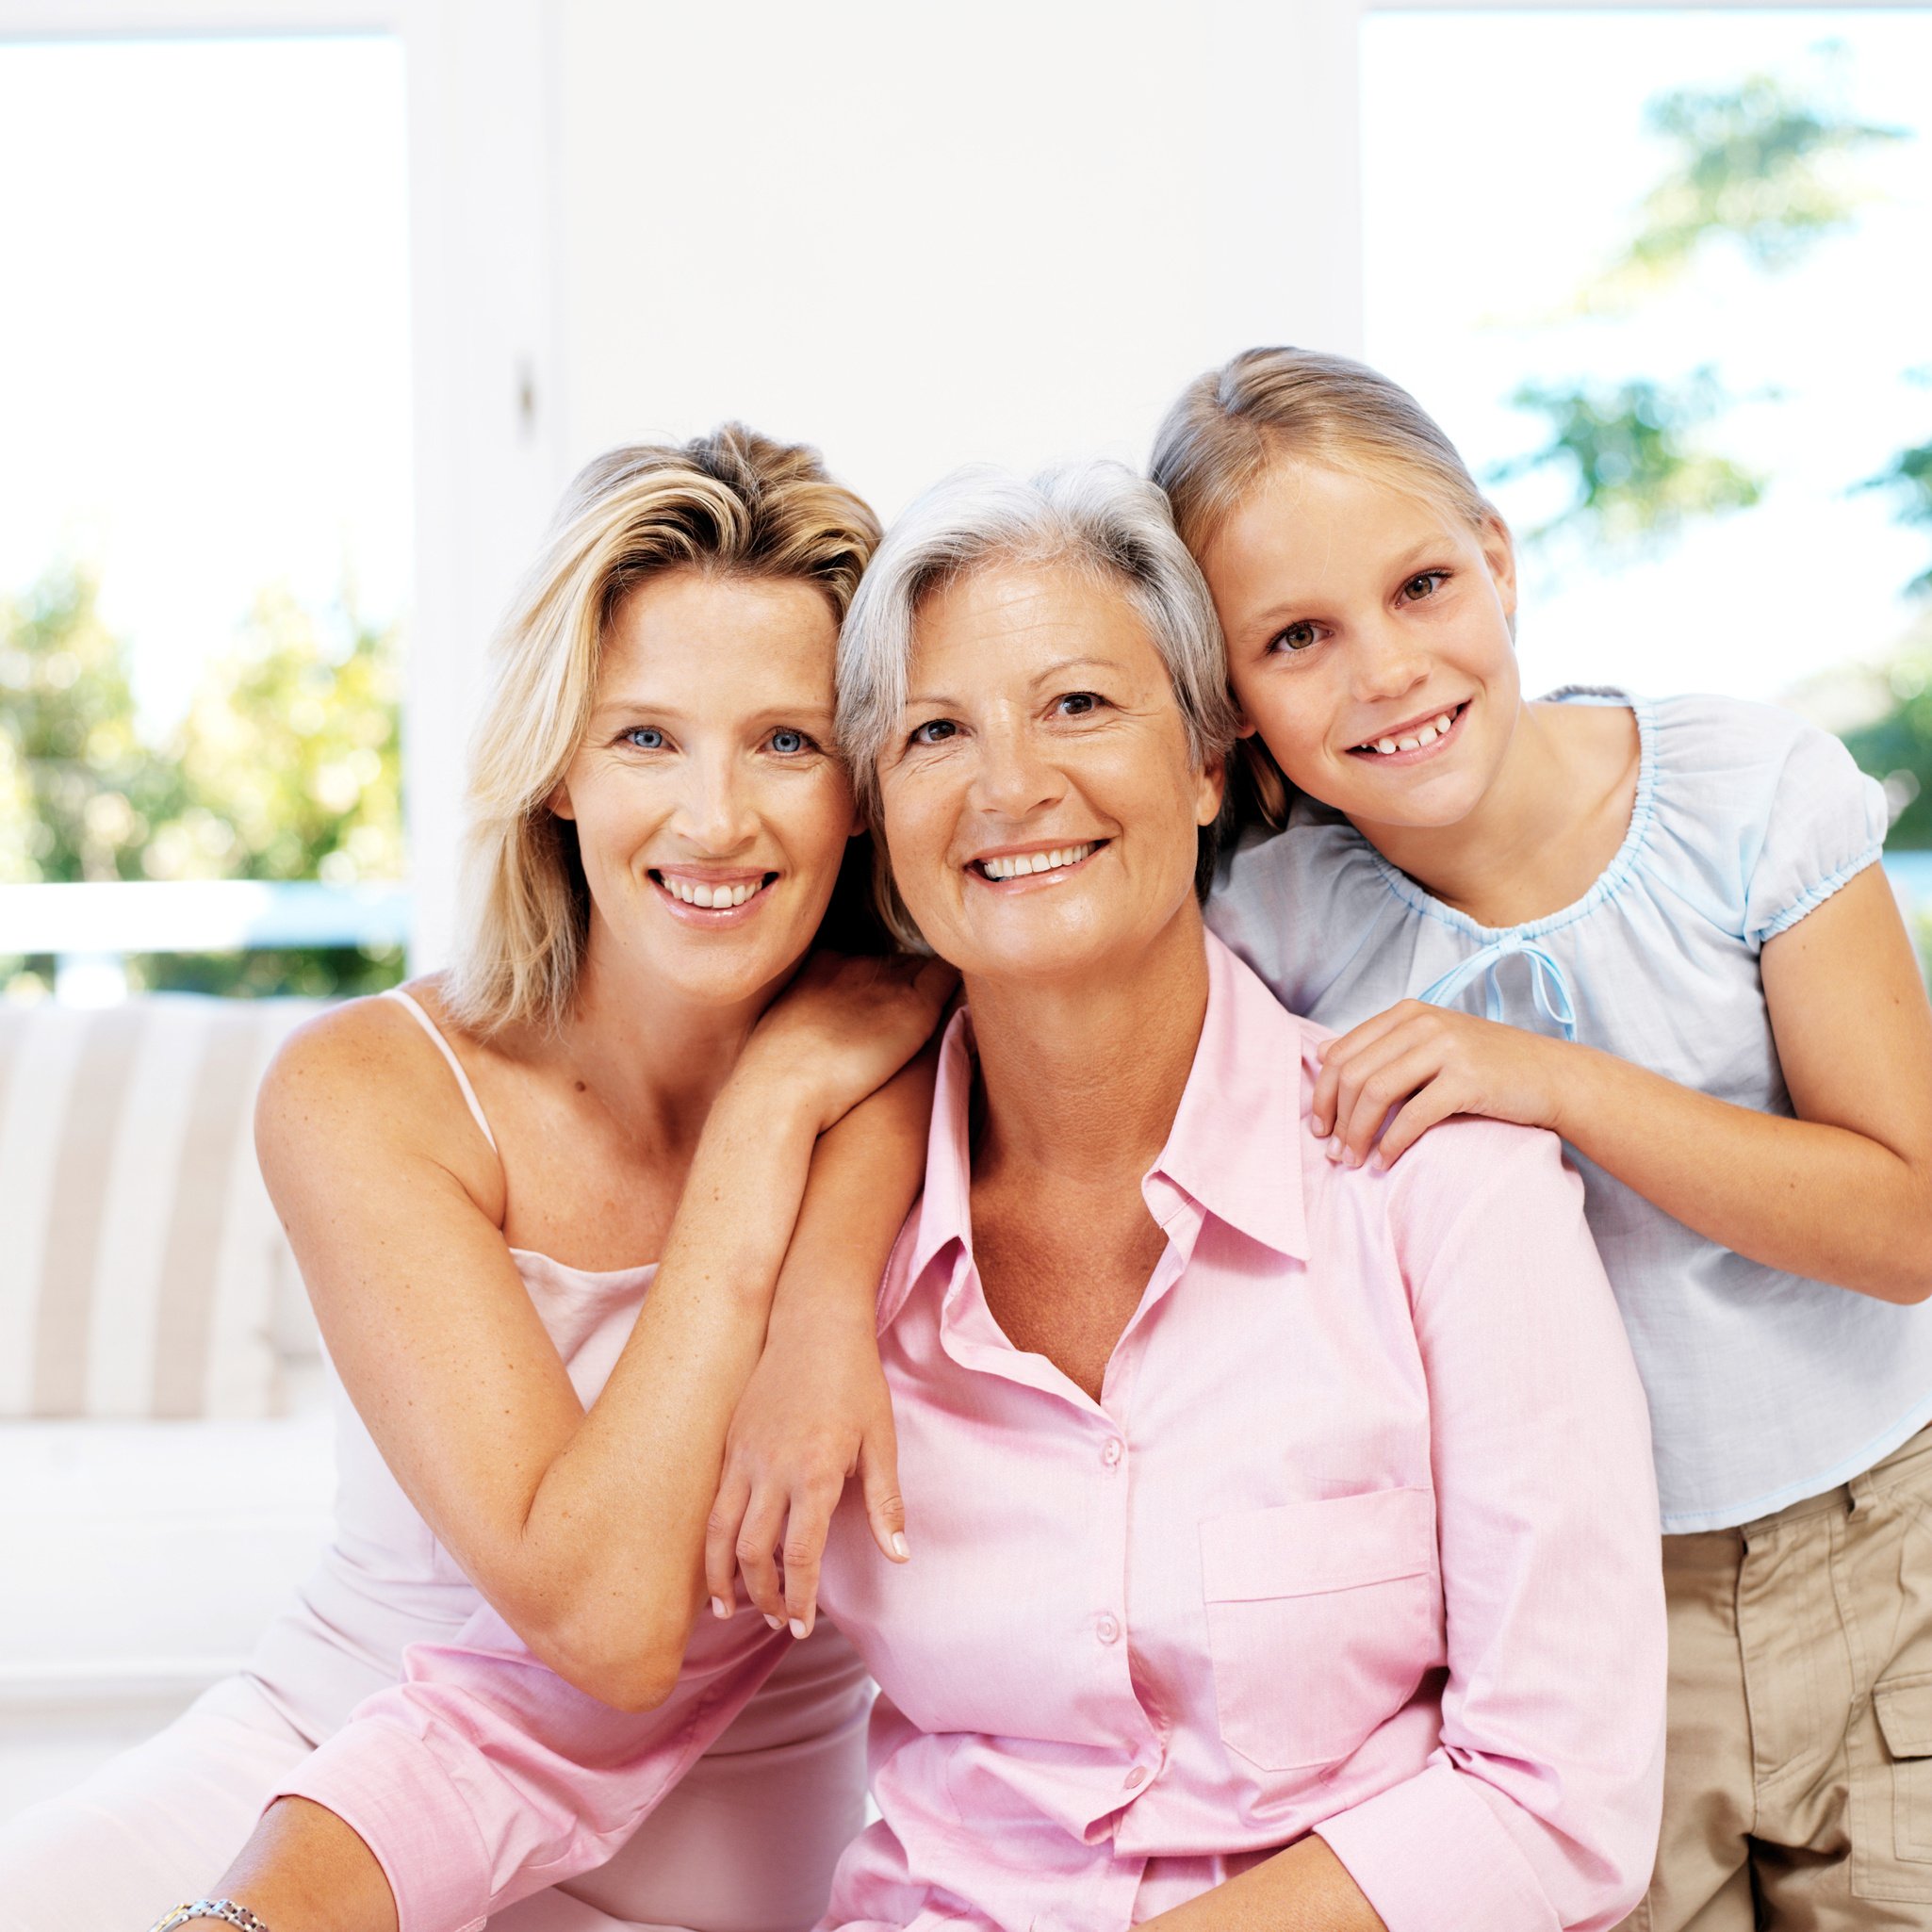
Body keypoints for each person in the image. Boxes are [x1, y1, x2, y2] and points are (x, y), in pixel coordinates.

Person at [181, 461, 1665, 1932]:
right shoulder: (848, 1253)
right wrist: (248, 1919)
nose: (1011, 783)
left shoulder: (1440, 1179)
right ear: (876, 812)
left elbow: (1556, 1797)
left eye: (1078, 703)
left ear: (1208, 757)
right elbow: (546, 1716)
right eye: (936, 730)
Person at [2, 426, 953, 1932]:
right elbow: (594, 1607)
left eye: (784, 739)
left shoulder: (925, 1054)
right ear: (559, 765)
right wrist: (769, 1109)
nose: (714, 817)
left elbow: (632, 1649)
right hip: (326, 1763)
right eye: (645, 735)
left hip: (718, 1876)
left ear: (859, 784)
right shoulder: (370, 1088)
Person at [1149, 347, 1932, 1931]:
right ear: (1228, 707)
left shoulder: (1742, 794)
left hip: (1889, 1565)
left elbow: (1908, 1222)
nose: (1383, 668)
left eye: (1421, 584)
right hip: (1580, 1636)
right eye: (1297, 637)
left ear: (1496, 561)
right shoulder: (1266, 930)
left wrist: (1553, 1080)